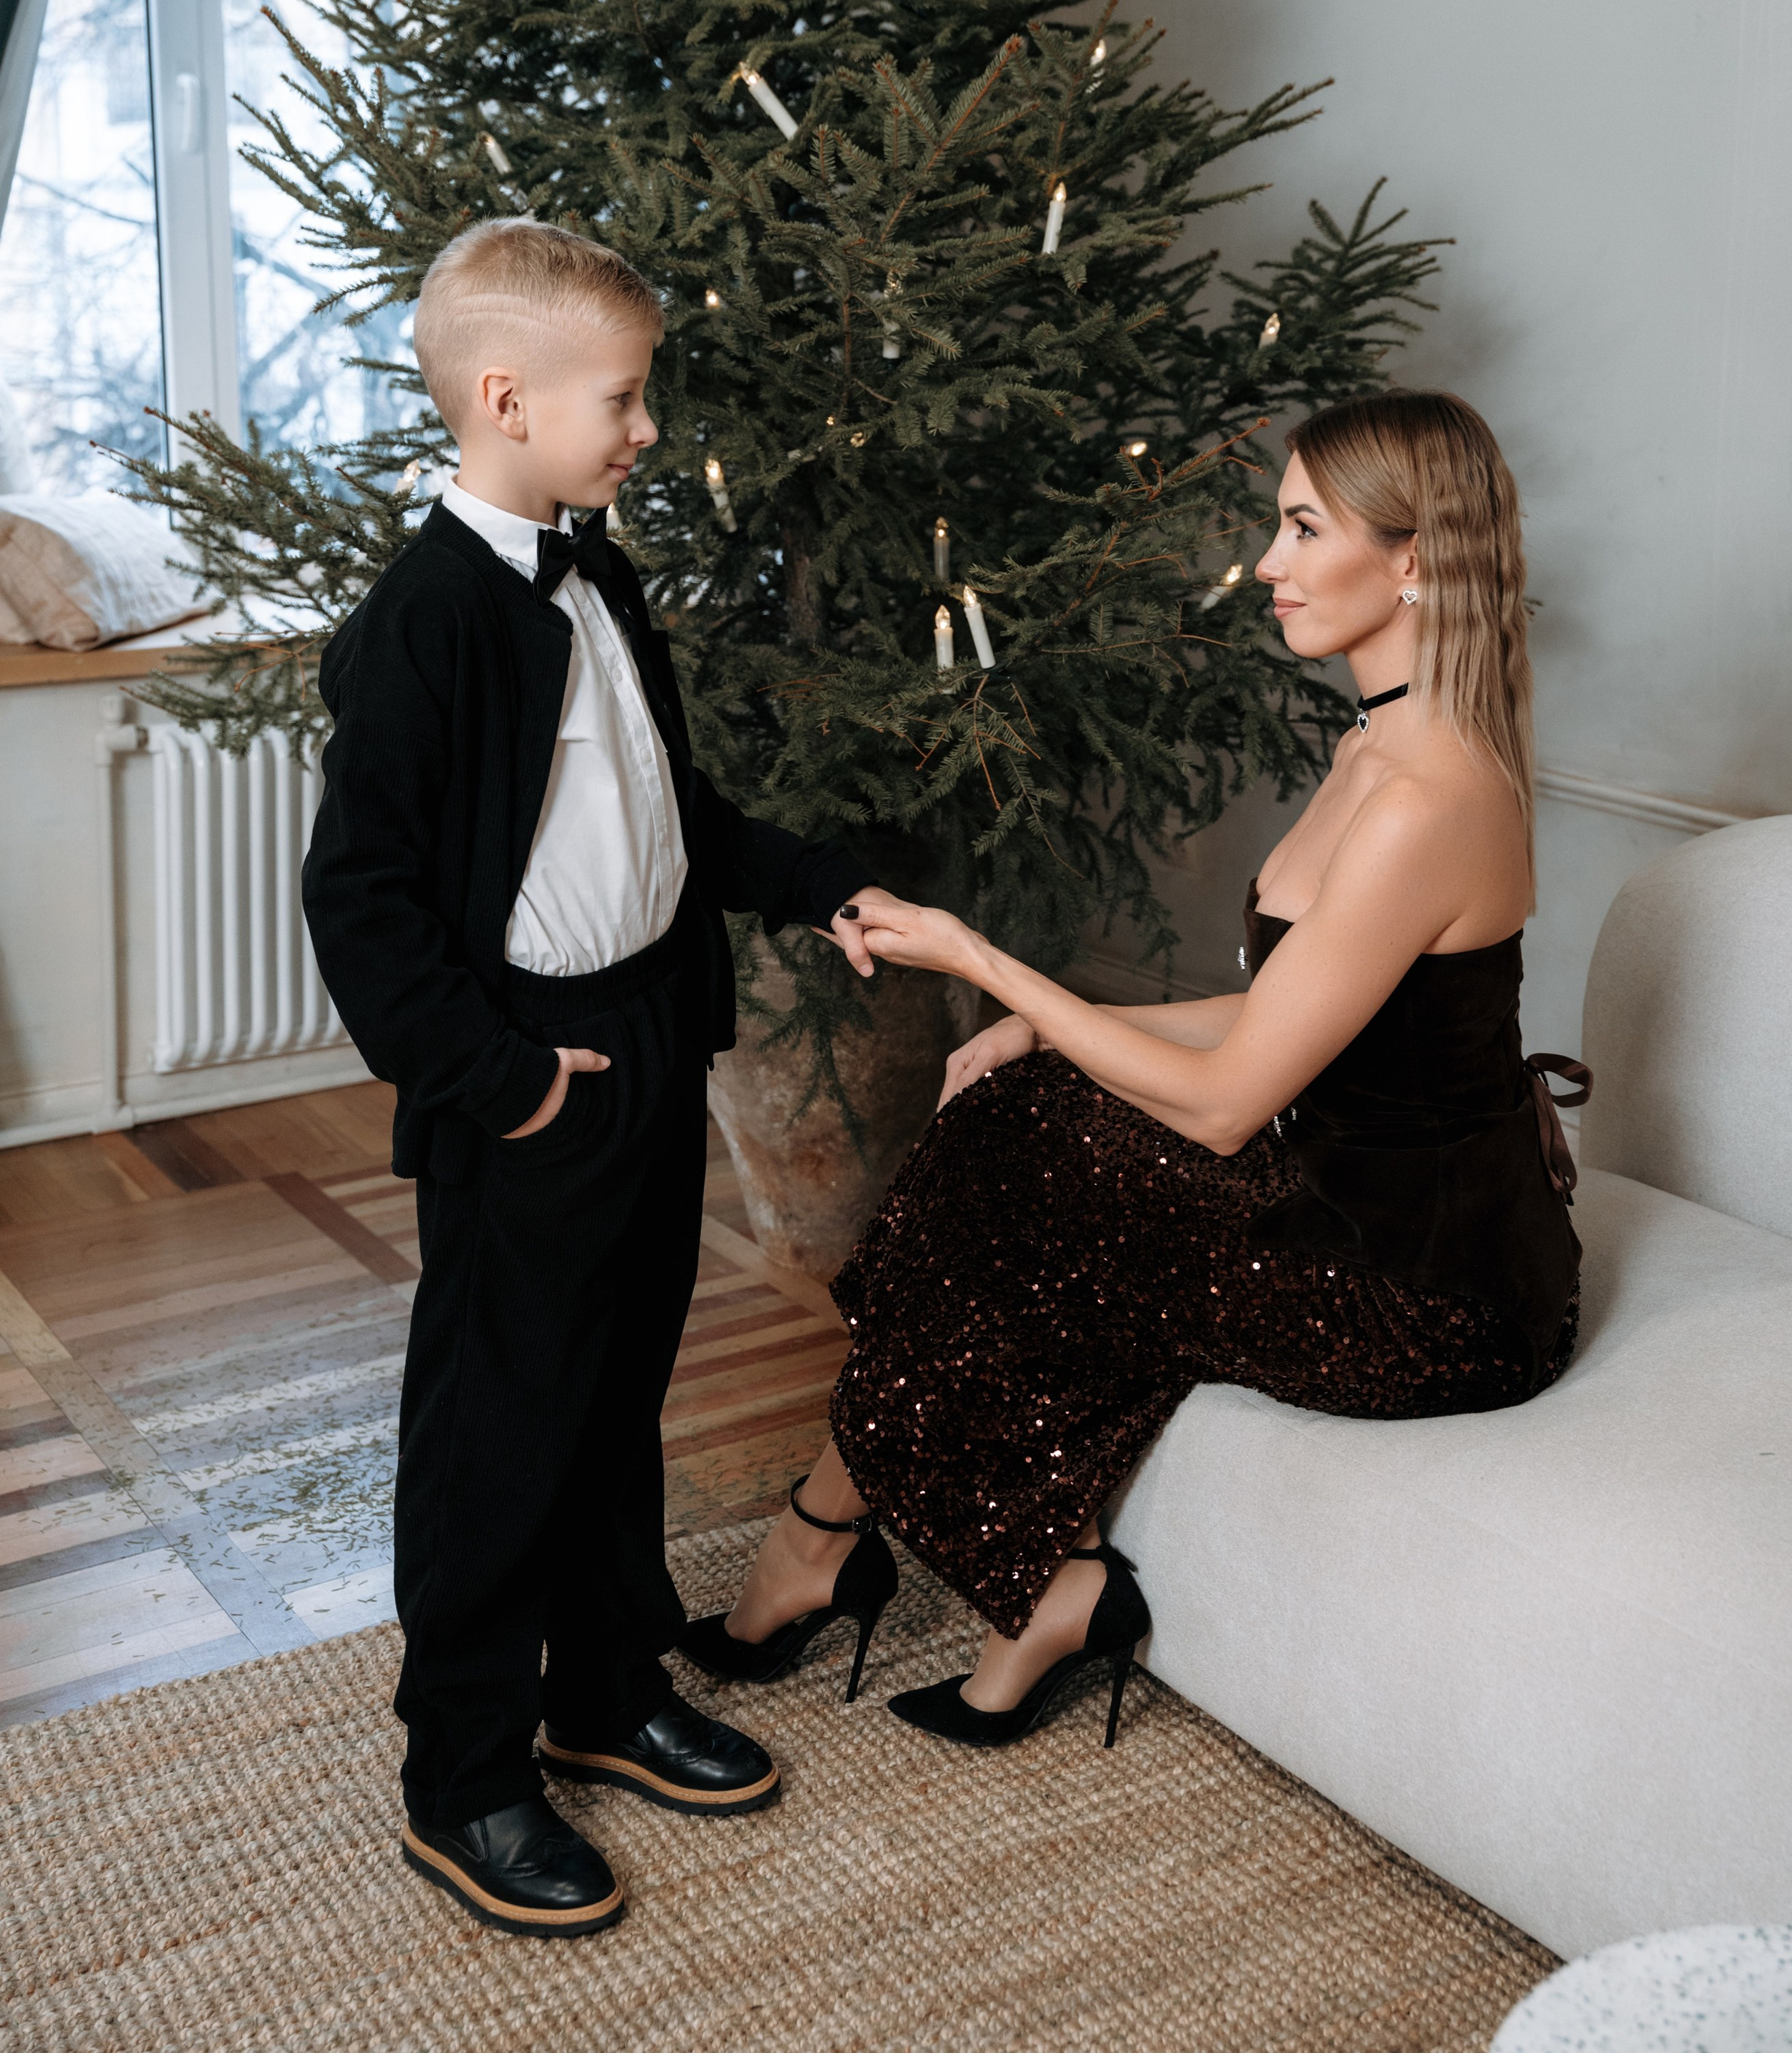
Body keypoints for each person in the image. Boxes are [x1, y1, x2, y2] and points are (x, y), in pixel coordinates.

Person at [680, 390, 1585, 1751]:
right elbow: (1282, 1010)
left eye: (1298, 529)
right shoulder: (1376, 742)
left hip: (1427, 1293)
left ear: (1413, 560)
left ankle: (852, 1547)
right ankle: (972, 1569)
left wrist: (990, 968)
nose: (1269, 565)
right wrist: (1051, 1022)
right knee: (1015, 1113)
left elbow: (1226, 1109)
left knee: (1022, 1153)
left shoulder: (1426, 798)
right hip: (1346, 1197)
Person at [302, 218, 888, 1937]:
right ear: (506, 396)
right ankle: (466, 1771)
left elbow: (662, 817)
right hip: (530, 1073)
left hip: (644, 1031)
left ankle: (603, 1686)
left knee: (616, 1385)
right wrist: (495, 1078)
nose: (644, 431)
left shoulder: (598, 571)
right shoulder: (420, 626)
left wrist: (809, 883)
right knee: (502, 1418)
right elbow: (364, 897)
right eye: (623, 400)